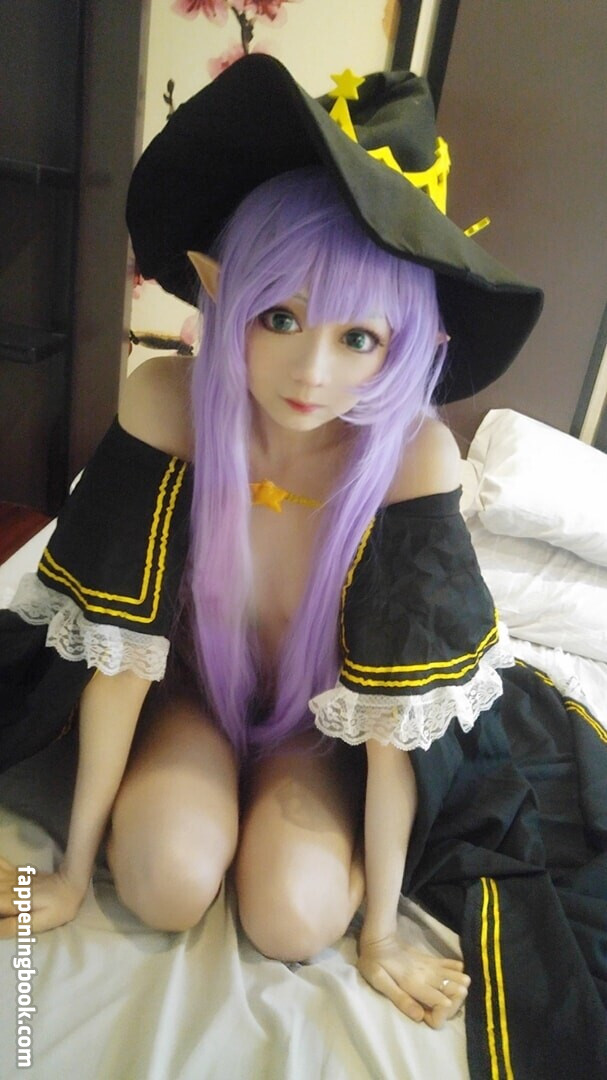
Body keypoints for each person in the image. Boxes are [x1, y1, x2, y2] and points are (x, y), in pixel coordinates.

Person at [2, 57, 606, 1077]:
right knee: (161, 884)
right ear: (218, 287)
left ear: (408, 344)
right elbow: (119, 650)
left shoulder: (414, 460)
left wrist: (381, 931)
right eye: (278, 316)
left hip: (324, 727)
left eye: (358, 336)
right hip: (188, 694)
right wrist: (64, 875)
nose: (311, 371)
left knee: (292, 919)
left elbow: (390, 724)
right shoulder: (166, 403)